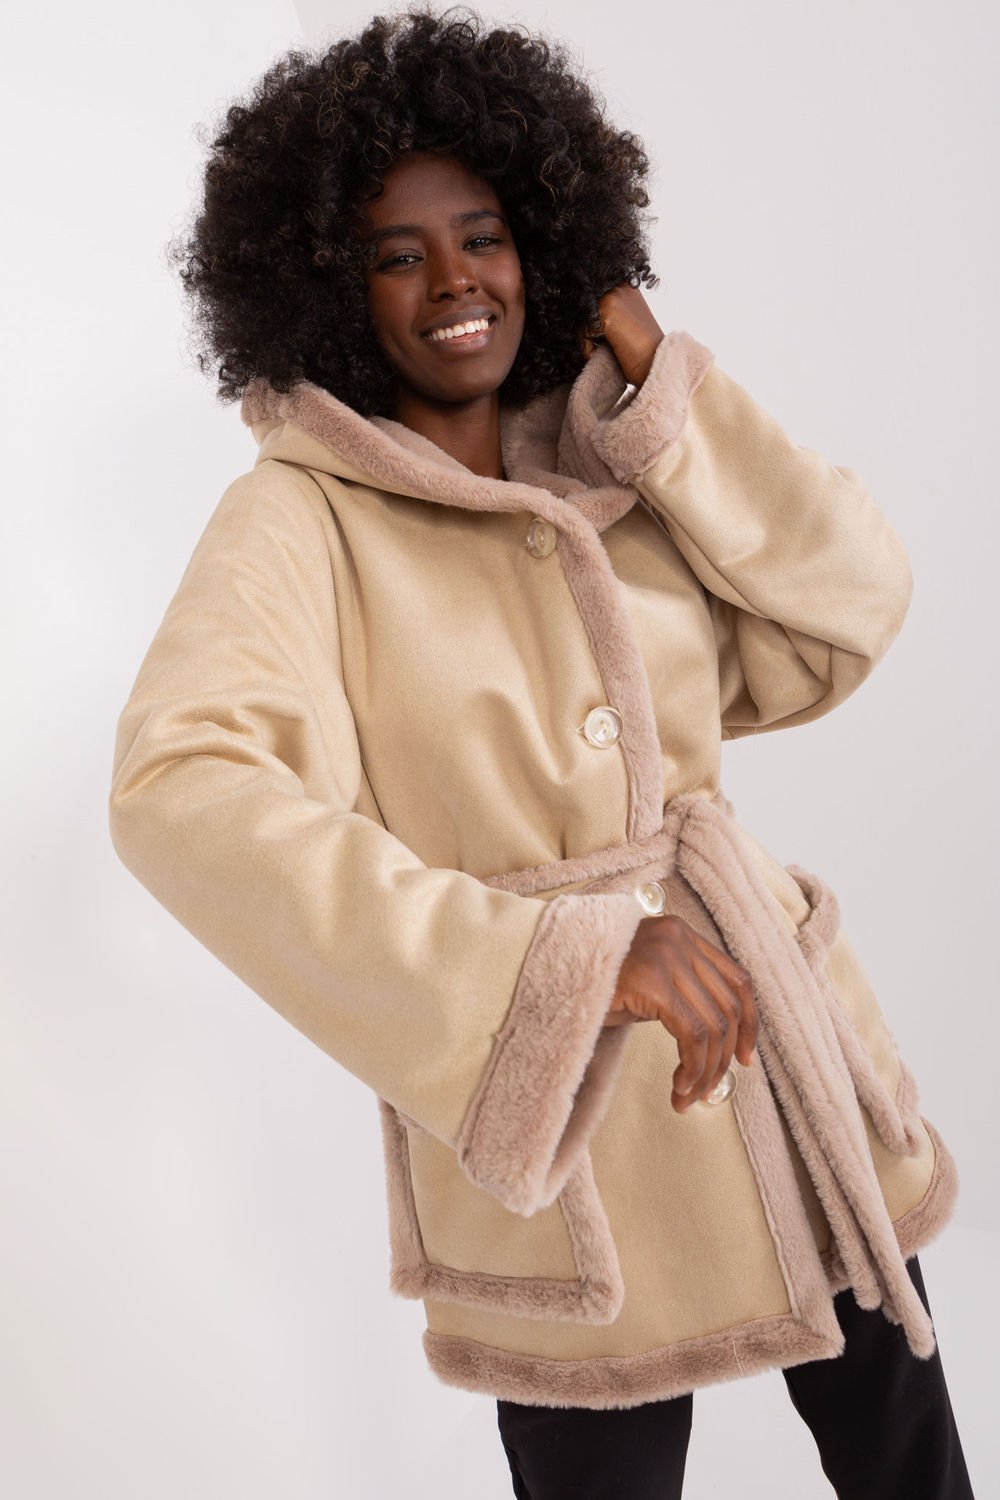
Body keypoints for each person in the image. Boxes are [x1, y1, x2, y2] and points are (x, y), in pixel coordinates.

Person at [107, 6, 975, 1496]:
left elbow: (853, 603)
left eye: (488, 236)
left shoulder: (609, 456)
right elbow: (180, 792)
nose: (456, 280)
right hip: (576, 1136)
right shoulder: (299, 519)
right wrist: (564, 967)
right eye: (398, 253)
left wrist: (663, 389)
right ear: (325, 286)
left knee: (914, 1467)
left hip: (783, 1064)